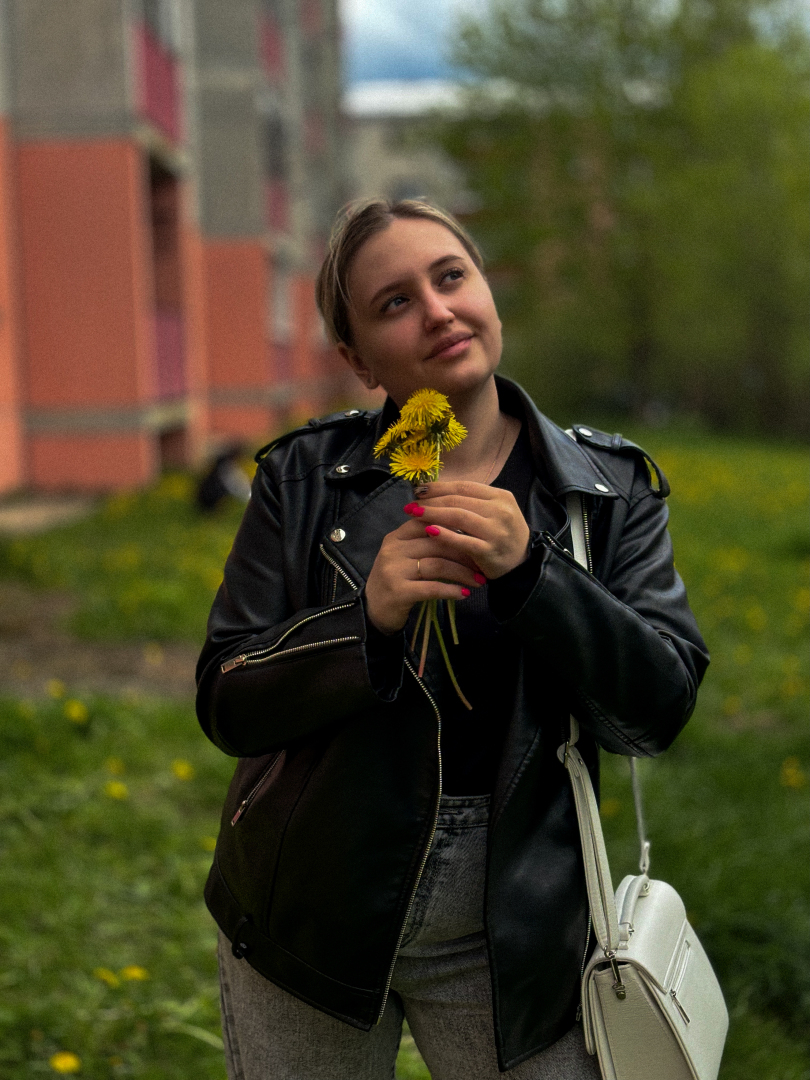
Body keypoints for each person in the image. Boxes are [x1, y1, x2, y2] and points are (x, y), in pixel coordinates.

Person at [195, 199, 709, 1079]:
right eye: (394, 302)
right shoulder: (304, 479)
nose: (437, 311)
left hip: (515, 920)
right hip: (312, 904)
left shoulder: (605, 489)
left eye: (450, 277)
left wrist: (536, 574)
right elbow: (226, 698)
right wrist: (364, 623)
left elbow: (658, 709)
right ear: (358, 359)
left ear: (487, 293)